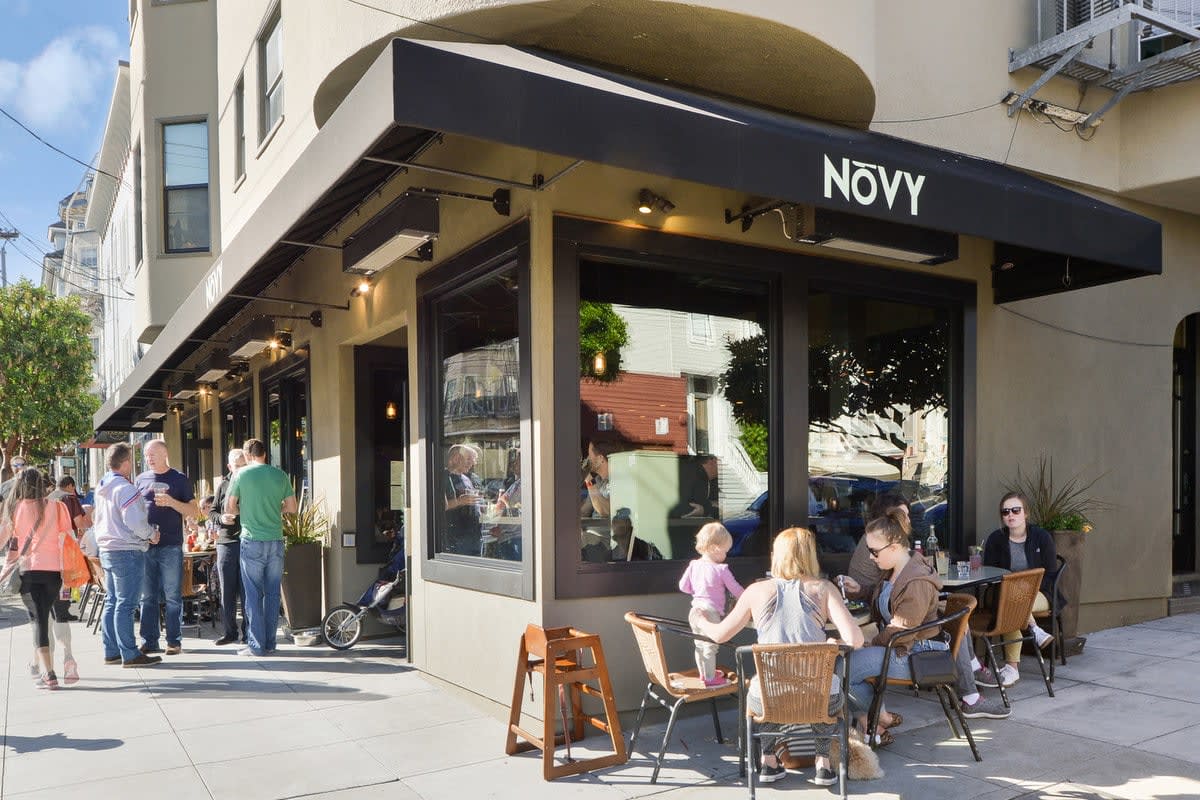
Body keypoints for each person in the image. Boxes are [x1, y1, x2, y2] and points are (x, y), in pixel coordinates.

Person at [692, 527, 863, 786]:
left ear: (776, 555)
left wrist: (700, 620)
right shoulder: (824, 589)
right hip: (819, 699)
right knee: (827, 689)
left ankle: (769, 762)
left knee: (763, 684)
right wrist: (832, 643)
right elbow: (856, 641)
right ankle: (823, 763)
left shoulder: (755, 591)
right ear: (810, 555)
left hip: (770, 700)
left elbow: (719, 635)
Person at [843, 494, 1007, 722]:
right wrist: (861, 590)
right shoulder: (893, 569)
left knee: (844, 669)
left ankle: (877, 720)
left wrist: (869, 642)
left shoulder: (915, 580)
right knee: (842, 666)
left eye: (874, 552)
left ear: (894, 546)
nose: (870, 557)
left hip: (914, 654)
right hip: (903, 646)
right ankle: (877, 722)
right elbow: (888, 599)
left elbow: (900, 631)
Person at [977, 491, 1059, 689]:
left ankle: (1012, 668)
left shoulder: (1041, 537)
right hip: (1004, 594)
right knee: (1012, 600)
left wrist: (1028, 588)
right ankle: (1035, 630)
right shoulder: (996, 539)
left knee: (1014, 602)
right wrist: (1013, 587)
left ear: (1025, 513)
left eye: (1016, 510)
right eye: (1005, 512)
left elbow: (1050, 573)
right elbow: (990, 571)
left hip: (1040, 593)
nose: (1010, 515)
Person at [1, 468, 74, 688]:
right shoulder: (58, 507)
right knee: (47, 617)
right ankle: (53, 664)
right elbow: (68, 538)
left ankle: (48, 673)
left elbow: (4, 540)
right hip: (54, 573)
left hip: (29, 572)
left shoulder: (16, 509)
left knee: (39, 621)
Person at [225, 438, 297, 657]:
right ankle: (270, 643)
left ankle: (256, 646)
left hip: (252, 540)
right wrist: (275, 510)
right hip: (275, 540)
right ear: (265, 454)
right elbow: (292, 508)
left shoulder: (240, 475)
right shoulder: (280, 475)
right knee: (273, 594)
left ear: (247, 456)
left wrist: (245, 510)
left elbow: (230, 506)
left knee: (253, 594)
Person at [93, 443, 162, 668]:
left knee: (112, 602)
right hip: (126, 549)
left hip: (107, 549)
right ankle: (130, 654)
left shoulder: (102, 486)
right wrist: (151, 534)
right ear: (125, 463)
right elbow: (134, 521)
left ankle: (111, 651)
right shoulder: (125, 488)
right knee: (126, 604)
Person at [136, 440, 199, 657]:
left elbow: (194, 510)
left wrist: (172, 502)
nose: (149, 458)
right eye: (146, 455)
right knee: (147, 597)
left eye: (152, 454)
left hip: (171, 546)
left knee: (173, 596)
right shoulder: (140, 479)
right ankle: (149, 641)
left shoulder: (179, 479)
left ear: (164, 454)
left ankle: (174, 641)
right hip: (145, 546)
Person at [678, 522, 744, 686]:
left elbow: (683, 587)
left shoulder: (694, 565)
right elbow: (736, 589)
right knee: (710, 647)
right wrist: (747, 597)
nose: (726, 555)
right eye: (725, 551)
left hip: (695, 611)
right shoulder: (721, 569)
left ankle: (705, 673)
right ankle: (709, 678)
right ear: (715, 548)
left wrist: (697, 591)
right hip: (710, 612)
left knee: (699, 644)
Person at [212, 449, 248, 646]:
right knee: (227, 590)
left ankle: (248, 632)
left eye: (244, 465)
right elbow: (212, 511)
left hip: (246, 540)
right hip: (225, 541)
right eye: (237, 466)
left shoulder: (251, 482)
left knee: (246, 590)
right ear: (229, 467)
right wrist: (220, 518)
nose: (241, 469)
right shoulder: (224, 484)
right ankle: (229, 632)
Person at [48, 475, 91, 623]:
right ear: (70, 486)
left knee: (54, 578)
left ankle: (55, 609)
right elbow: (79, 522)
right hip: (66, 542)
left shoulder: (48, 498)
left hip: (49, 543)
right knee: (67, 579)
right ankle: (63, 610)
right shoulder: (70, 499)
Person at [442, 443, 482, 555]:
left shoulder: (467, 478)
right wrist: (460, 501)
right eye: (469, 459)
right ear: (456, 458)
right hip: (455, 540)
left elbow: (470, 501)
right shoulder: (441, 477)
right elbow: (437, 506)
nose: (473, 463)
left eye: (473, 459)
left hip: (474, 537)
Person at [670, 454, 719, 518]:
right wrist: (706, 510)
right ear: (712, 460)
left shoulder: (695, 471)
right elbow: (690, 509)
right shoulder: (694, 474)